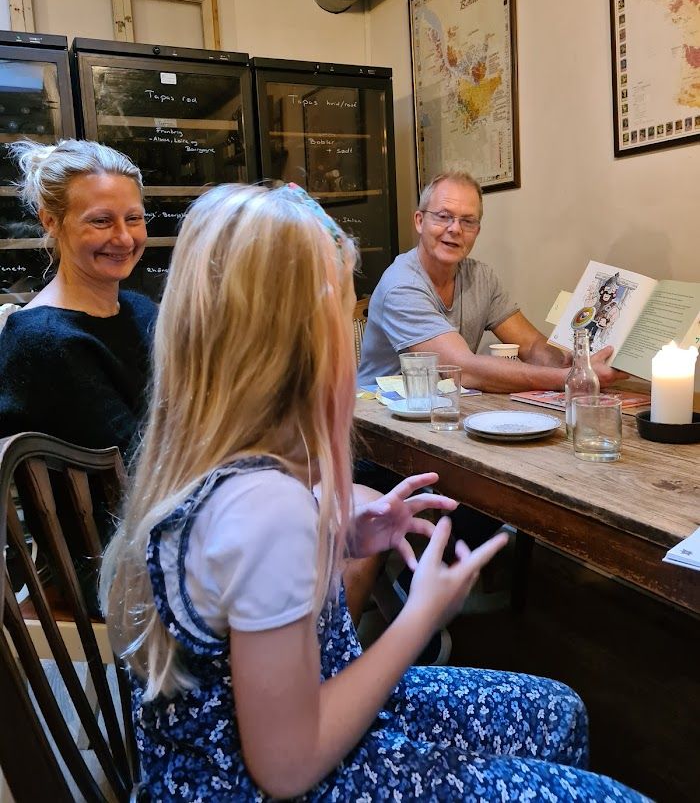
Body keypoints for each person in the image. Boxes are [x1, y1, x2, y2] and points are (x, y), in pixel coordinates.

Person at [101, 182, 647, 801]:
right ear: (300, 344)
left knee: (559, 710)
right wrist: (419, 615)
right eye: (342, 316)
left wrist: (339, 539)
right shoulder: (266, 507)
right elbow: (286, 766)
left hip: (276, 722)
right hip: (278, 776)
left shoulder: (222, 472)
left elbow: (240, 584)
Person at [358, 169, 626, 392]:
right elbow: (461, 369)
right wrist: (572, 378)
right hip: (381, 423)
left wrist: (575, 362)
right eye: (443, 216)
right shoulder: (401, 284)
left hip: (445, 410)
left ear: (477, 231)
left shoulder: (481, 277)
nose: (455, 229)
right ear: (419, 221)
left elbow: (531, 345)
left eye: (468, 221)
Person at [0, 139, 157, 457]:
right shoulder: (42, 339)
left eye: (133, 218)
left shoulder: (142, 311)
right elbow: (137, 462)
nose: (124, 238)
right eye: (101, 221)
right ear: (50, 221)